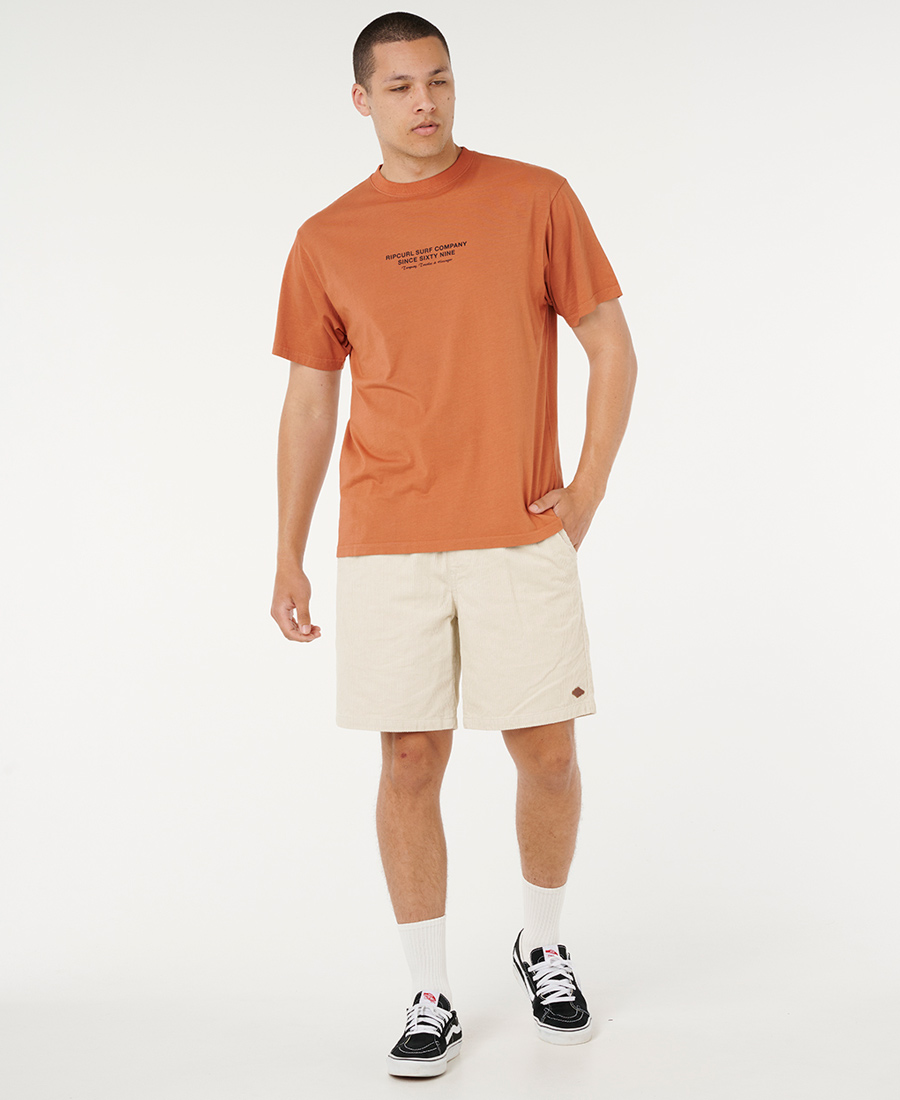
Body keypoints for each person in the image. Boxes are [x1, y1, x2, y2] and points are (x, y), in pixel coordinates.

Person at [270, 11, 637, 1079]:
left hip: (518, 528)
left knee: (548, 754)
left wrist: (585, 491)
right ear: (362, 100)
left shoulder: (535, 197)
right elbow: (309, 403)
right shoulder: (326, 238)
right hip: (386, 536)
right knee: (408, 758)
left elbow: (611, 346)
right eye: (398, 86)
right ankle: (428, 990)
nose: (423, 101)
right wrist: (288, 551)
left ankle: (543, 944)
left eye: (437, 79)